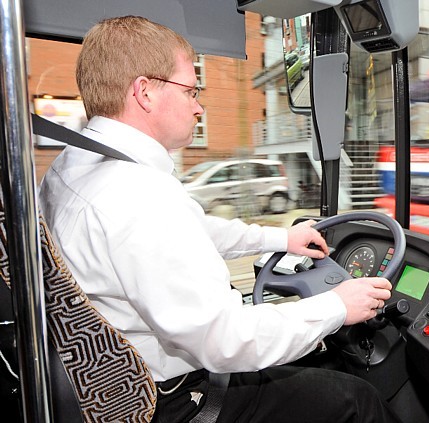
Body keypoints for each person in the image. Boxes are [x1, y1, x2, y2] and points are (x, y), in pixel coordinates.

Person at [38, 16, 401, 423]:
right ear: (145, 93)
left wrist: (280, 239)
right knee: (355, 397)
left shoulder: (73, 164)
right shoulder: (139, 196)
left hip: (119, 383)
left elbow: (186, 232)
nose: (198, 106)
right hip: (174, 400)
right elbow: (225, 340)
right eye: (190, 90)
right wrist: (337, 306)